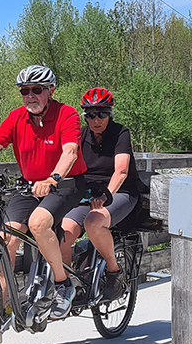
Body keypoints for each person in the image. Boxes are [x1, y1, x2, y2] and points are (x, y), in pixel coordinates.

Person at [0, 65, 87, 318]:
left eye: (37, 90)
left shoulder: (66, 114)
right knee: (6, 239)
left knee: (38, 223)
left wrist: (53, 178)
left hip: (65, 183)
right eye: (25, 91)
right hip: (29, 186)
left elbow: (70, 151)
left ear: (51, 91)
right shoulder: (17, 118)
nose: (30, 96)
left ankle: (62, 284)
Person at [60, 87, 144, 300]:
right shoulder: (81, 135)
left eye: (102, 114)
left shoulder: (120, 133)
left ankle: (114, 272)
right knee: (64, 232)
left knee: (94, 221)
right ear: (84, 116)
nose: (96, 120)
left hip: (120, 192)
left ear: (110, 114)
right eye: (90, 115)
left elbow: (121, 170)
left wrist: (107, 194)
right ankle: (69, 286)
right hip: (88, 194)